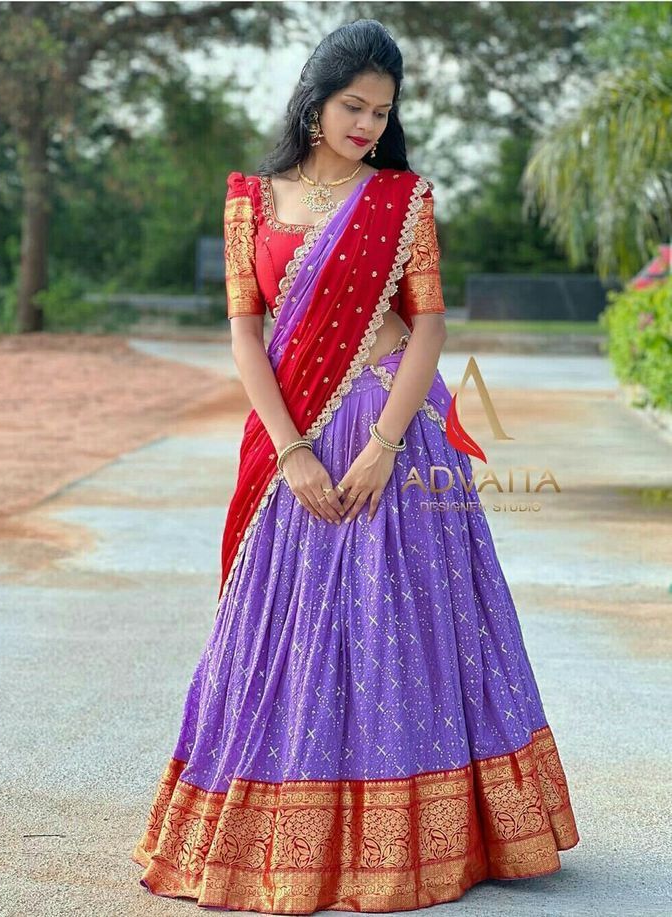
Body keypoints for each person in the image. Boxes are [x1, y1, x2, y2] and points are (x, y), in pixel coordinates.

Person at [131, 18, 580, 913]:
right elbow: (244, 333)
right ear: (313, 98)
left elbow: (431, 327)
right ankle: (276, 835)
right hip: (289, 441)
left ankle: (422, 838)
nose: (368, 123)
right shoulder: (248, 203)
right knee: (278, 634)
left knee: (398, 627)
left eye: (381, 111)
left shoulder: (401, 201)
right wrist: (292, 448)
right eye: (353, 105)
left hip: (393, 431)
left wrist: (381, 447)